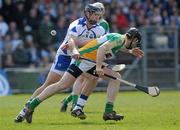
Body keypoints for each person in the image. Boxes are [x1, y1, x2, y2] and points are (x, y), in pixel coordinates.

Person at [20, 27, 144, 122]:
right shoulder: (119, 38)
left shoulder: (121, 40)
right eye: (135, 42)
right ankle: (31, 105)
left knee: (115, 78)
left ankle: (107, 112)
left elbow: (116, 47)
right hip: (83, 59)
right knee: (62, 85)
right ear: (133, 38)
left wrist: (130, 51)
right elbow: (101, 49)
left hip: (90, 61)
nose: (135, 44)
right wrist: (99, 67)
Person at [14, 3, 105, 123]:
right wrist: (75, 50)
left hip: (80, 57)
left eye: (99, 15)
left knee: (92, 77)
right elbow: (72, 41)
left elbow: (99, 46)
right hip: (65, 55)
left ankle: (78, 106)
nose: (98, 18)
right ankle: (25, 110)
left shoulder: (100, 29)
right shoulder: (76, 25)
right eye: (96, 15)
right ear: (88, 14)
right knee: (49, 83)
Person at [60, 2, 110, 112]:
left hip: (89, 54)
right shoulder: (87, 23)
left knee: (84, 79)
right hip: (84, 53)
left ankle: (69, 101)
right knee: (83, 78)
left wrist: (102, 55)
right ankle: (74, 104)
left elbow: (102, 42)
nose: (99, 13)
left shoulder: (102, 24)